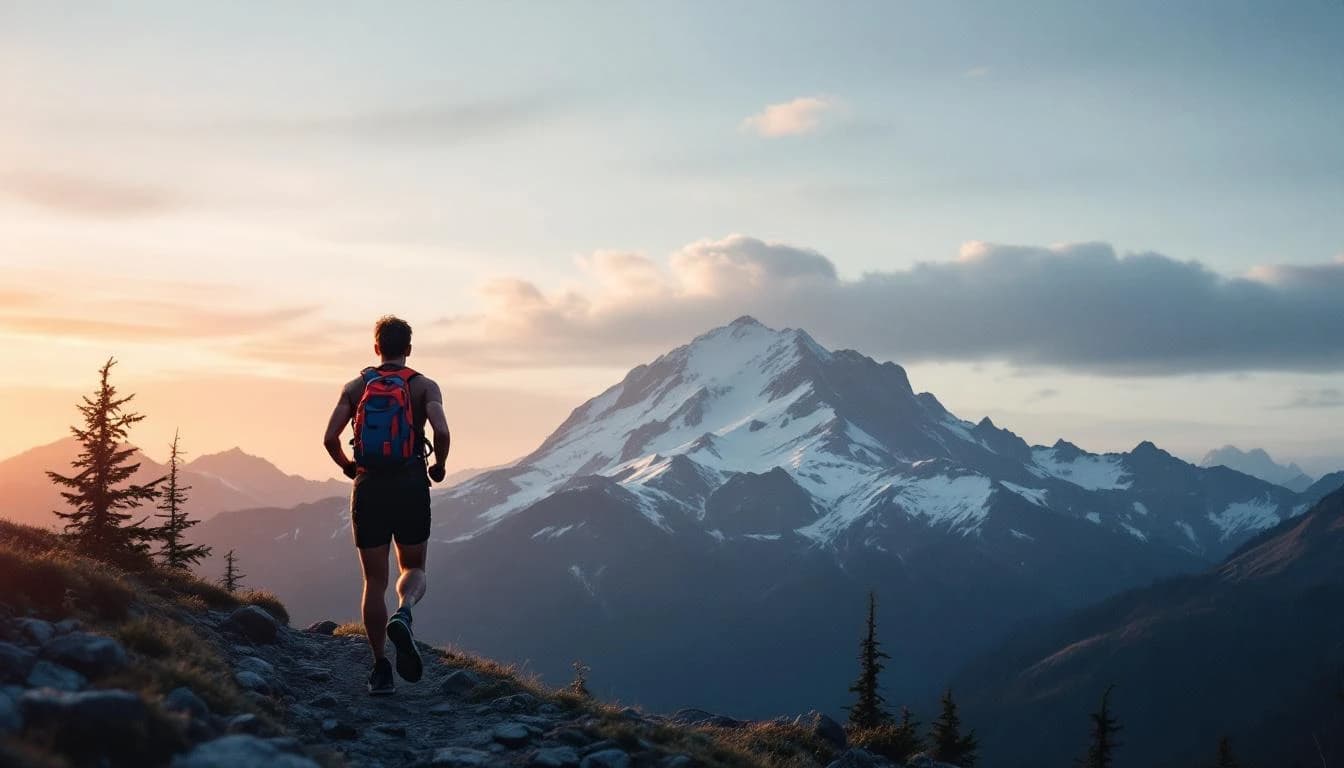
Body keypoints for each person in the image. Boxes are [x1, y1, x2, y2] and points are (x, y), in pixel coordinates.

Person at [323, 315, 451, 695]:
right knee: (413, 567)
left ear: (376, 347)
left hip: (369, 485)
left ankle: (380, 669)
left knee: (374, 581)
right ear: (408, 349)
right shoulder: (424, 386)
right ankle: (405, 611)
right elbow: (442, 431)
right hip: (411, 482)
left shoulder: (355, 386)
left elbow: (330, 437)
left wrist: (349, 467)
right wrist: (438, 465)